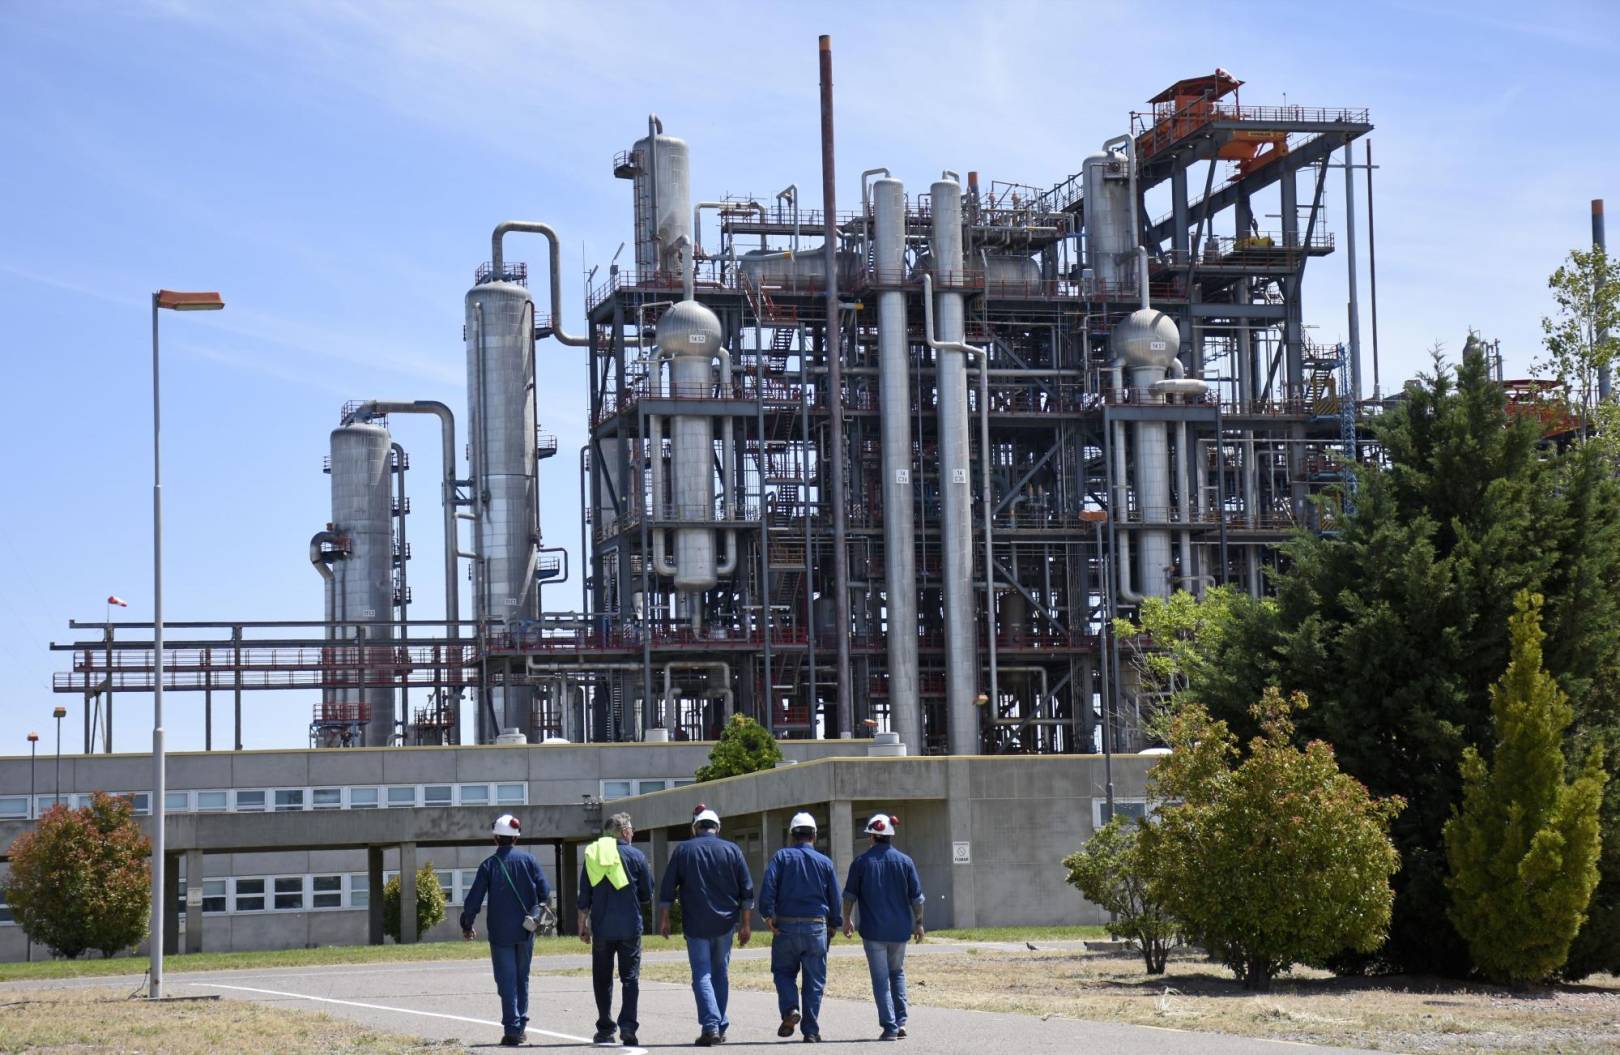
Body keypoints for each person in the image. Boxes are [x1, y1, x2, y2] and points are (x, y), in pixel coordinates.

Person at [657, 803, 754, 1046]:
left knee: (702, 973)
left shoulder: (683, 851)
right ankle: (719, 1027)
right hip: (725, 923)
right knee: (720, 973)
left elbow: (668, 888)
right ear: (717, 829)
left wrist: (665, 918)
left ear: (695, 828)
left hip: (696, 923)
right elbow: (747, 891)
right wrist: (745, 925)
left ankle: (711, 1025)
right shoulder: (732, 850)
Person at [460, 814, 551, 1047]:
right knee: (523, 978)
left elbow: (474, 901)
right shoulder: (530, 861)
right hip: (526, 929)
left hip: (500, 932)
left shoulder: (489, 865)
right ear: (516, 839)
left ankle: (512, 1029)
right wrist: (535, 915)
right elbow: (545, 895)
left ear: (496, 839)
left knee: (506, 980)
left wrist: (467, 924)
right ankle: (520, 1027)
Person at [842, 813, 925, 1042]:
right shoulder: (905, 862)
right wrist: (919, 923)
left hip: (873, 932)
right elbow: (917, 899)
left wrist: (846, 919)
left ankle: (889, 1027)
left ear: (872, 837)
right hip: (900, 931)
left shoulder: (861, 863)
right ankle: (901, 1022)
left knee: (880, 979)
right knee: (897, 973)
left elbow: (849, 896)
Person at [760, 811, 841, 1043]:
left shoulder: (781, 857)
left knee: (783, 972)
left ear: (792, 836)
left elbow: (768, 888)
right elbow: (834, 897)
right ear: (814, 835)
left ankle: (790, 1010)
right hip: (816, 927)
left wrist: (767, 915)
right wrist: (834, 923)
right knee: (814, 982)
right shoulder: (825, 862)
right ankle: (811, 1031)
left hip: (785, 926)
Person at [577, 811, 653, 1047]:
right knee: (630, 978)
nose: (632, 834)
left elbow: (584, 896)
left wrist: (583, 925)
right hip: (630, 927)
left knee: (602, 978)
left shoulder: (593, 854)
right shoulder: (637, 856)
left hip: (601, 927)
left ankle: (605, 1028)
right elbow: (646, 895)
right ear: (624, 832)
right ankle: (628, 1028)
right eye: (631, 830)